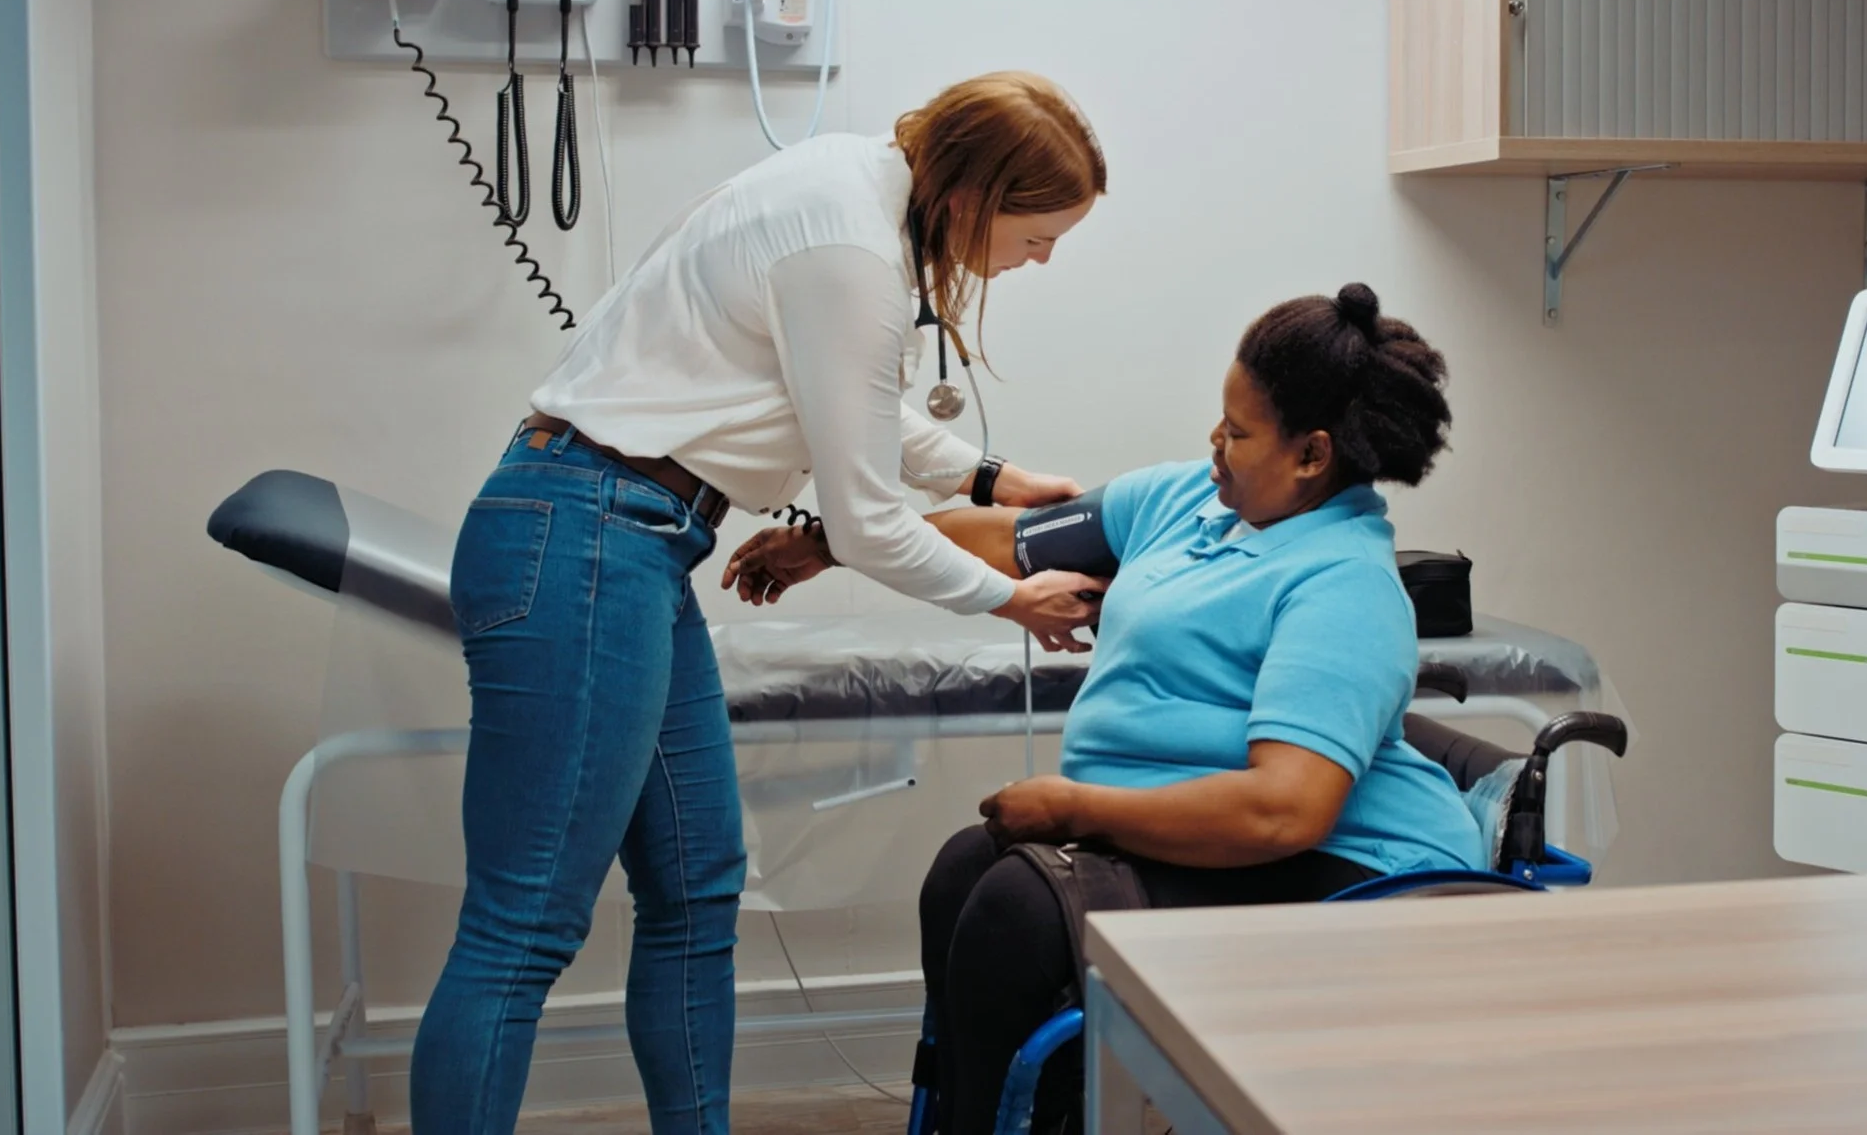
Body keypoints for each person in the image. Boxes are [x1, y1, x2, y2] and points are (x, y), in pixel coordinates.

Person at [409, 72, 1113, 1135]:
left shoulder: (848, 186)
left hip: (625, 543)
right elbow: (869, 520)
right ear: (973, 197)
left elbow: (844, 399)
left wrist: (993, 479)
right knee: (526, 925)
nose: (1042, 259)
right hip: (585, 539)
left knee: (696, 893)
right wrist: (1014, 597)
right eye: (1039, 234)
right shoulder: (853, 253)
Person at [726, 282, 1480, 1135]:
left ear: (1311, 456)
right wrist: (835, 543)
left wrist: (1079, 808)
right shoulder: (1189, 503)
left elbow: (1287, 810)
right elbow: (1007, 541)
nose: (1214, 445)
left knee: (1020, 904)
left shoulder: (1343, 584)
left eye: (1237, 434)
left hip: (1357, 875)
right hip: (1221, 837)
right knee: (966, 868)